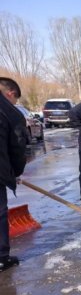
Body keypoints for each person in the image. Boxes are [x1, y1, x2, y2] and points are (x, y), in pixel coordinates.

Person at [0, 78, 27, 271]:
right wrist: (15, 172)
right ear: (11, 94)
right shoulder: (10, 112)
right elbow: (17, 148)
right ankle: (1, 257)